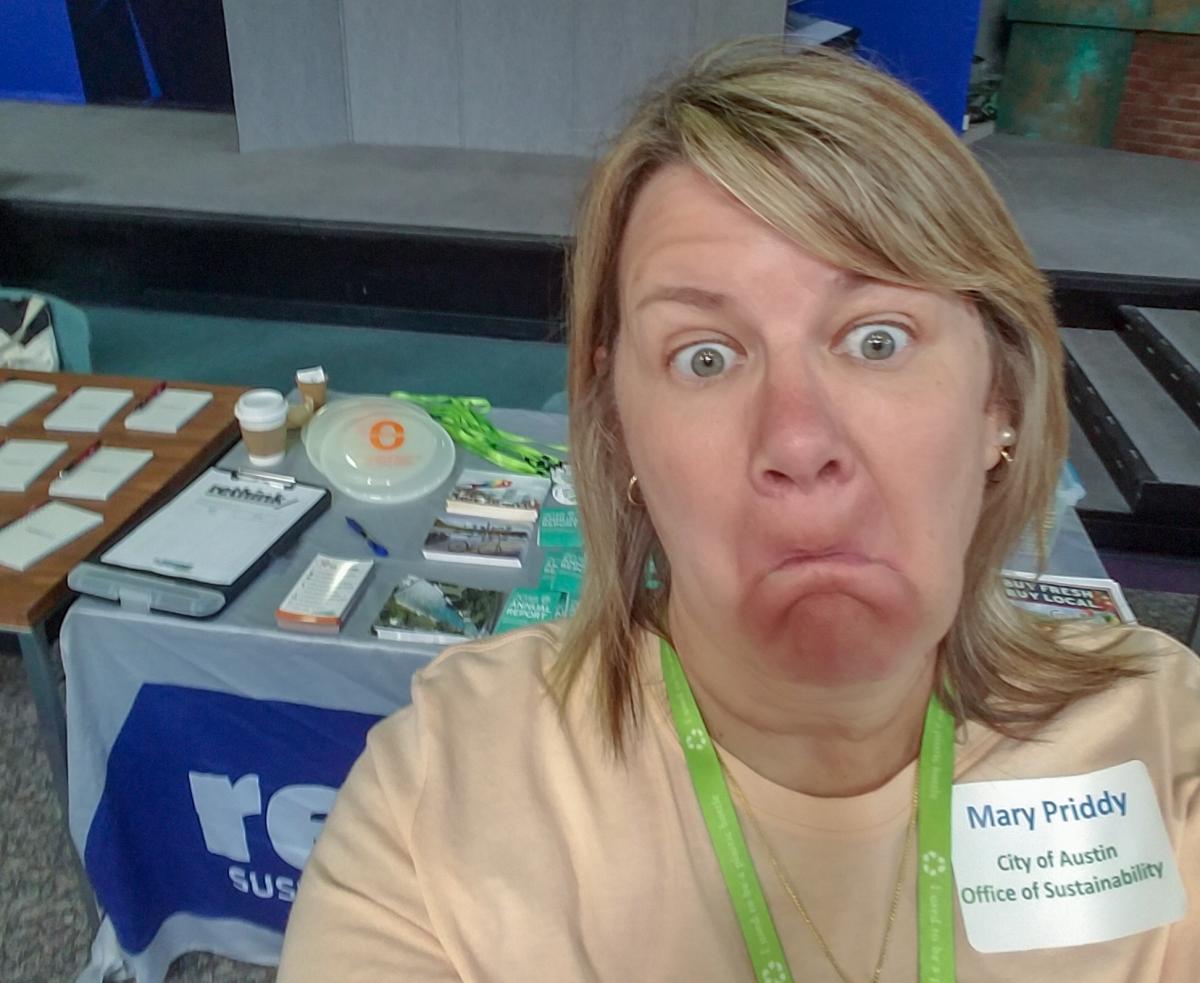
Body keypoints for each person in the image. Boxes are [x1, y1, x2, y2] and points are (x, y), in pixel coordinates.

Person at [278, 42, 1198, 981]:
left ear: (998, 399)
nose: (798, 441)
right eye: (705, 357)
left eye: (876, 338)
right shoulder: (446, 790)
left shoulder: (1159, 736)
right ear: (622, 426)